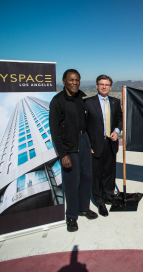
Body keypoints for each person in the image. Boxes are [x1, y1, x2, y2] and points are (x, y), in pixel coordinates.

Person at [49, 69, 97, 232]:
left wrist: (89, 143)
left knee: (86, 177)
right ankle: (71, 216)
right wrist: (63, 154)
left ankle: (83, 208)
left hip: (84, 141)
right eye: (71, 80)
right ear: (64, 81)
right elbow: (54, 131)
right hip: (69, 145)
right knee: (71, 182)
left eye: (77, 80)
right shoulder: (57, 101)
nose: (75, 82)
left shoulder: (80, 98)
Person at [85, 75, 122, 217]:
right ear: (96, 85)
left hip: (111, 143)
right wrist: (88, 144)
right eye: (101, 84)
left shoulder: (115, 102)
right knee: (97, 175)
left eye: (107, 84)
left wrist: (116, 131)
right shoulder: (88, 103)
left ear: (111, 87)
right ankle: (99, 201)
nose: (104, 87)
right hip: (96, 145)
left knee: (110, 172)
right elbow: (84, 126)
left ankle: (108, 195)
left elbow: (119, 119)